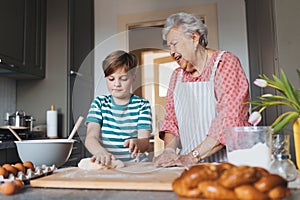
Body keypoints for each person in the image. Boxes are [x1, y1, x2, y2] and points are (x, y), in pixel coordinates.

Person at [153, 12, 250, 167]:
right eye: (169, 46)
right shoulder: (176, 76)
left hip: (229, 165)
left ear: (194, 37)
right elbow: (172, 122)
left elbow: (229, 120)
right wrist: (169, 150)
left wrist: (193, 156)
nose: (171, 52)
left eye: (175, 43)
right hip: (190, 167)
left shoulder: (224, 64)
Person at [85, 50, 152, 165]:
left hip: (135, 165)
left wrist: (137, 143)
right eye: (111, 79)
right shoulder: (99, 104)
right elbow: (90, 137)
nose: (117, 84)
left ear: (133, 78)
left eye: (123, 79)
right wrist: (100, 152)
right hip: (108, 164)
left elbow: (145, 143)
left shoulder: (142, 105)